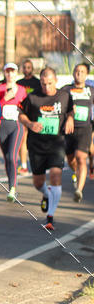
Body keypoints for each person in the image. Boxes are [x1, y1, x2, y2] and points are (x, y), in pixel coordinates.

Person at [18, 67, 74, 231]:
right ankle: (46, 194)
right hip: (36, 145)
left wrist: (70, 118)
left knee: (56, 176)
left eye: (49, 83)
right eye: (43, 84)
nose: (46, 87)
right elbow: (20, 114)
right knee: (38, 182)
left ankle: (50, 217)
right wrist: (30, 124)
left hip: (56, 143)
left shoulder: (64, 96)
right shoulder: (33, 96)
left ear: (55, 81)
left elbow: (71, 110)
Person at [62, 63, 93, 202]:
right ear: (73, 73)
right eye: (76, 71)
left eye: (82, 71)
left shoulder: (91, 90)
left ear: (86, 75)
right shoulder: (66, 90)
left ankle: (79, 190)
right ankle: (75, 171)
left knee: (81, 158)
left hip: (85, 129)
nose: (79, 74)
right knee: (70, 159)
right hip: (69, 129)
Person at [0, 63, 27, 202]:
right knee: (7, 158)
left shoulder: (21, 90)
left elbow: (25, 108)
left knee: (12, 157)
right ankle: (11, 184)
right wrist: (5, 99)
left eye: (12, 71)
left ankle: (12, 188)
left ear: (16, 73)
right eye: (7, 72)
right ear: (4, 73)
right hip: (2, 125)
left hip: (16, 125)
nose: (10, 74)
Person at [17, 58, 42, 174]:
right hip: (23, 114)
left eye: (29, 67)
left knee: (36, 141)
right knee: (22, 139)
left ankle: (39, 162)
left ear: (32, 69)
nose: (27, 69)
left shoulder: (37, 83)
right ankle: (23, 165)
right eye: (25, 67)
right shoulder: (19, 83)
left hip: (35, 114)